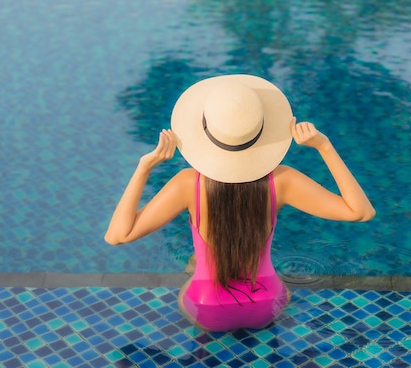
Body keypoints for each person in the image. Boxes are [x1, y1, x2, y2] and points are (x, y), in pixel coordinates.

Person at [105, 74, 375, 331]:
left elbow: (118, 235)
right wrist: (324, 147)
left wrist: (144, 167)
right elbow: (360, 212)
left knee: (194, 264)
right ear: (260, 129)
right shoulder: (282, 181)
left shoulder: (188, 184)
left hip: (206, 309)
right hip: (267, 305)